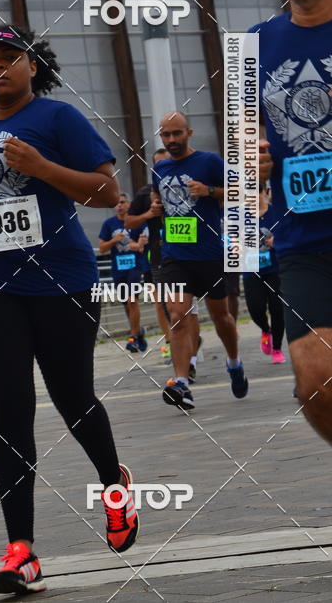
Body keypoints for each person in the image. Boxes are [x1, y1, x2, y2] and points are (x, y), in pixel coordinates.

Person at [0, 25, 139, 596]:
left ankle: (113, 486)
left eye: (9, 58)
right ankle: (21, 552)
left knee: (73, 400)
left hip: (61, 283)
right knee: (10, 413)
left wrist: (42, 165)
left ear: (32, 67)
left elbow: (106, 194)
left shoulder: (59, 119)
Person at [253, 0, 332, 441]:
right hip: (304, 239)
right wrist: (250, 161)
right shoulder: (254, 45)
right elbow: (241, 144)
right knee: (315, 382)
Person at [153, 112, 248, 410]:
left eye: (176, 134)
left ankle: (233, 361)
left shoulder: (209, 162)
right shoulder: (160, 168)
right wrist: (157, 207)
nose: (171, 140)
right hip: (175, 256)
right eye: (166, 135)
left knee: (222, 318)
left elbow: (242, 193)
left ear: (189, 133)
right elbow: (162, 202)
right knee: (178, 314)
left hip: (208, 254)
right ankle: (181, 382)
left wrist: (209, 191)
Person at [125, 150, 172, 360]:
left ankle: (189, 341)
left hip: (186, 253)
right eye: (158, 166)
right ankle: (171, 342)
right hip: (158, 256)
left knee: (183, 304)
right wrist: (149, 214)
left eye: (167, 163)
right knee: (161, 303)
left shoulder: (186, 186)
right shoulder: (145, 194)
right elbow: (128, 222)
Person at [99, 193, 149, 352]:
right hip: (118, 267)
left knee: (132, 300)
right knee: (127, 304)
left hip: (135, 266)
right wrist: (114, 240)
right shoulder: (109, 224)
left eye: (122, 202)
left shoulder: (136, 222)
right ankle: (138, 332)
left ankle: (133, 337)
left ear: (129, 204)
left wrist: (133, 242)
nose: (119, 205)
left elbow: (140, 247)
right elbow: (101, 248)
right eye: (117, 203)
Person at [242, 183, 285, 364]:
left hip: (275, 268)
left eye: (256, 192)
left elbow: (289, 234)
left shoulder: (277, 212)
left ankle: (277, 348)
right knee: (255, 308)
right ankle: (265, 329)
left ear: (265, 192)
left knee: (277, 309)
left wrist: (277, 241)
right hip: (251, 269)